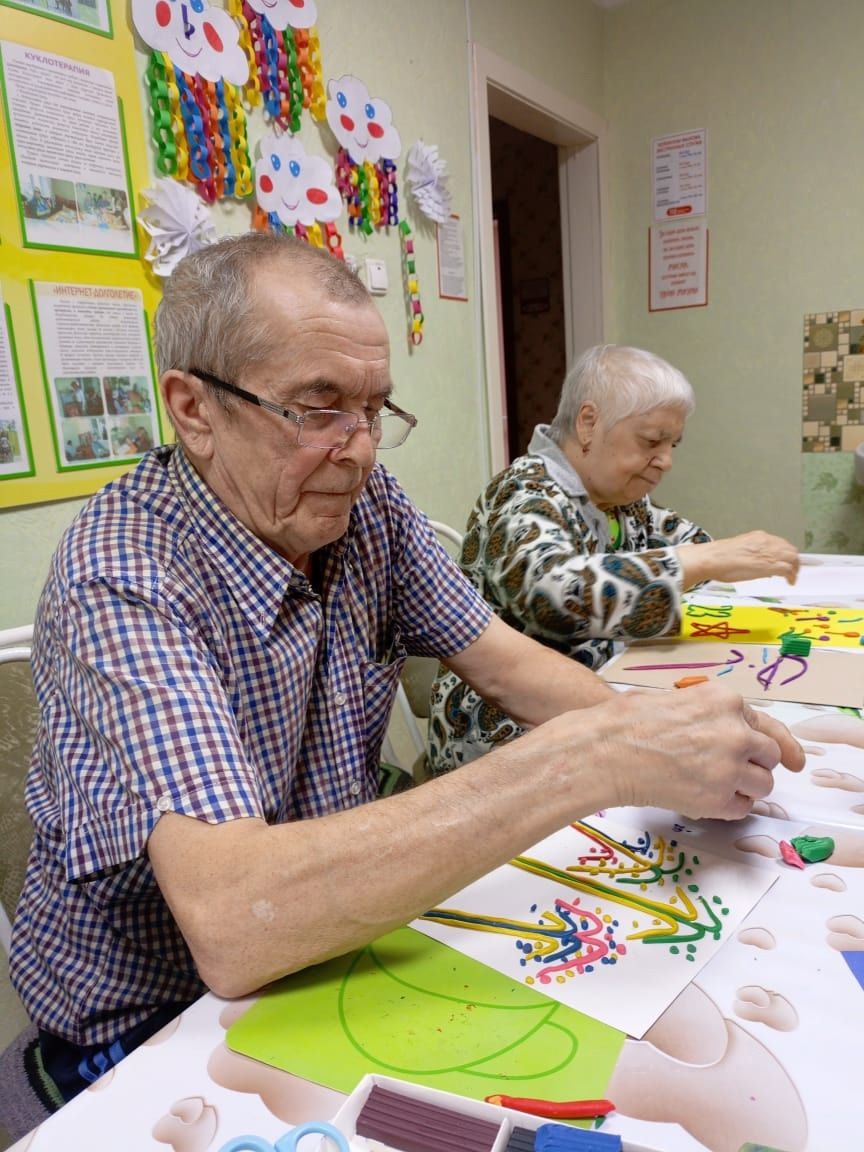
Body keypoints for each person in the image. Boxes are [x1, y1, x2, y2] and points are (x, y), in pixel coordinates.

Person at [9, 235, 804, 1107]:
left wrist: (655, 735)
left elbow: (510, 668)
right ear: (194, 409)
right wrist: (593, 757)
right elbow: (234, 922)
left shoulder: (365, 505)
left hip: (324, 944)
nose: (357, 449)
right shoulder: (122, 575)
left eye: (374, 409)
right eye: (318, 408)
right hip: (156, 1015)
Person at [428, 344, 800, 774]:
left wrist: (709, 557)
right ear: (589, 423)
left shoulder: (622, 502)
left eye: (673, 444)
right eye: (652, 441)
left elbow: (693, 543)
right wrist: (697, 560)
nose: (666, 461)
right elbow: (555, 594)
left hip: (597, 702)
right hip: (505, 735)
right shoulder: (526, 492)